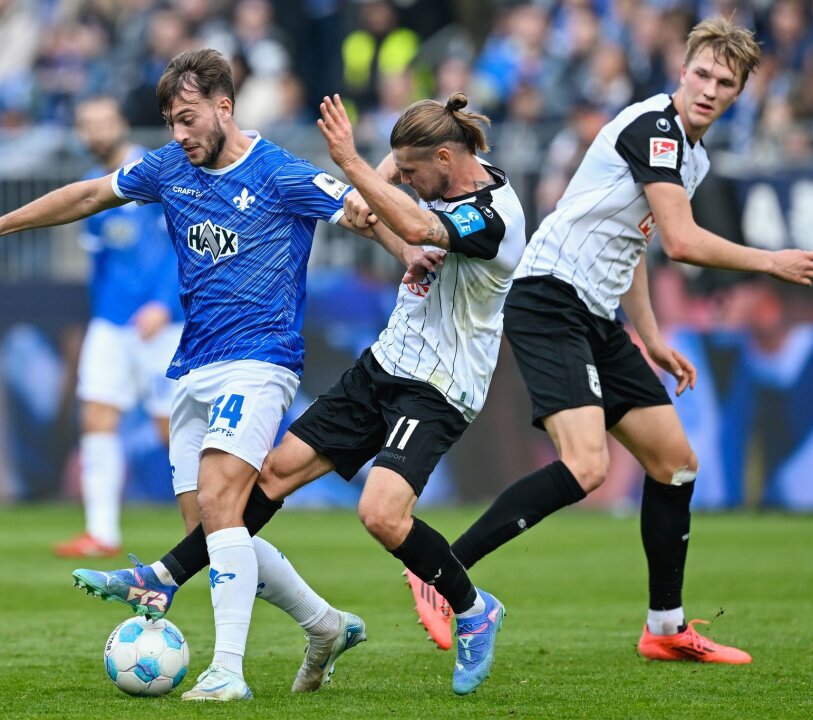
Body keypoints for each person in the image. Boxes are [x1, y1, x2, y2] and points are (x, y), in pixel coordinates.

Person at [0, 49, 436, 702]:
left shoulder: (279, 172)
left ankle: (227, 671)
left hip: (261, 363)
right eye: (170, 123)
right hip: (194, 366)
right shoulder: (169, 167)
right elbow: (91, 193)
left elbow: (360, 210)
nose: (178, 135)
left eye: (186, 119)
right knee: (210, 533)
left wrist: (409, 251)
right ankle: (326, 625)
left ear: (223, 106)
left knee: (220, 506)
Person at [73, 91, 528, 696]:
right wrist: (378, 170)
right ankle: (165, 577)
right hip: (385, 364)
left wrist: (349, 159)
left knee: (382, 514)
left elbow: (417, 225)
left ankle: (473, 610)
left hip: (440, 386)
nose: (409, 183)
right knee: (267, 478)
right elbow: (388, 199)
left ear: (447, 159)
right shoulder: (437, 170)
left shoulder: (495, 213)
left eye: (415, 172)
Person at [405, 16, 813, 663]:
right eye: (703, 74)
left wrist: (650, 336)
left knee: (675, 463)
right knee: (587, 467)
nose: (710, 89)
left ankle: (664, 627)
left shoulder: (692, 153)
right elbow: (682, 242)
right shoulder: (654, 129)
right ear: (681, 72)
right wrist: (771, 262)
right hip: (549, 298)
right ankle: (440, 572)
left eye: (726, 81)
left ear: (740, 93)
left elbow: (639, 244)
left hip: (596, 315)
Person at [52, 96, 191, 559]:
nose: (94, 132)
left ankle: (213, 526)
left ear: (121, 124)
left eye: (101, 122)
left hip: (159, 323)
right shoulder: (94, 186)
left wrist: (164, 303)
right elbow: (104, 266)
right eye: (85, 123)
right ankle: (101, 532)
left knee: (170, 428)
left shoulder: (148, 174)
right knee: (95, 416)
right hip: (110, 324)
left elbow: (183, 242)